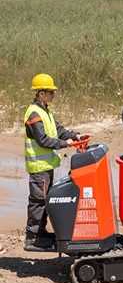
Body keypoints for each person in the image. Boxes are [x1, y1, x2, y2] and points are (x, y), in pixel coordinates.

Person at [23, 74, 91, 251]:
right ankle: (32, 237)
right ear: (41, 93)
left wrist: (75, 136)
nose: (54, 95)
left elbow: (58, 130)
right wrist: (65, 144)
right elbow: (43, 140)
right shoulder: (34, 114)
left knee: (45, 200)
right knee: (38, 201)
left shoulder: (45, 110)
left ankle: (41, 232)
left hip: (47, 166)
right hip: (39, 167)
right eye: (51, 92)